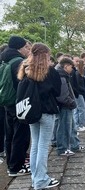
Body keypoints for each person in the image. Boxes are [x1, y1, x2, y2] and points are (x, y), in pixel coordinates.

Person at [17, 43, 61, 189]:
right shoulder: (50, 71)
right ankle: (41, 180)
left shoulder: (25, 68)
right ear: (45, 55)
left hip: (31, 111)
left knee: (35, 145)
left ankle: (36, 178)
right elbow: (57, 91)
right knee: (42, 146)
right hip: (47, 111)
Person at [1, 36, 31, 176]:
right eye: (26, 47)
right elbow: (23, 84)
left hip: (6, 101)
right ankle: (16, 167)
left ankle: (10, 165)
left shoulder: (3, 59)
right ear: (20, 47)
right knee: (21, 135)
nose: (27, 50)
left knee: (9, 135)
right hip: (19, 103)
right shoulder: (19, 62)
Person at [55, 58, 77, 156]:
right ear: (66, 66)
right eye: (71, 67)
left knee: (65, 126)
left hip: (65, 105)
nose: (72, 69)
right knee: (64, 127)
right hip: (65, 106)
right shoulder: (62, 77)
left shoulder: (62, 75)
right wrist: (71, 102)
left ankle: (64, 147)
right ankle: (62, 148)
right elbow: (63, 95)